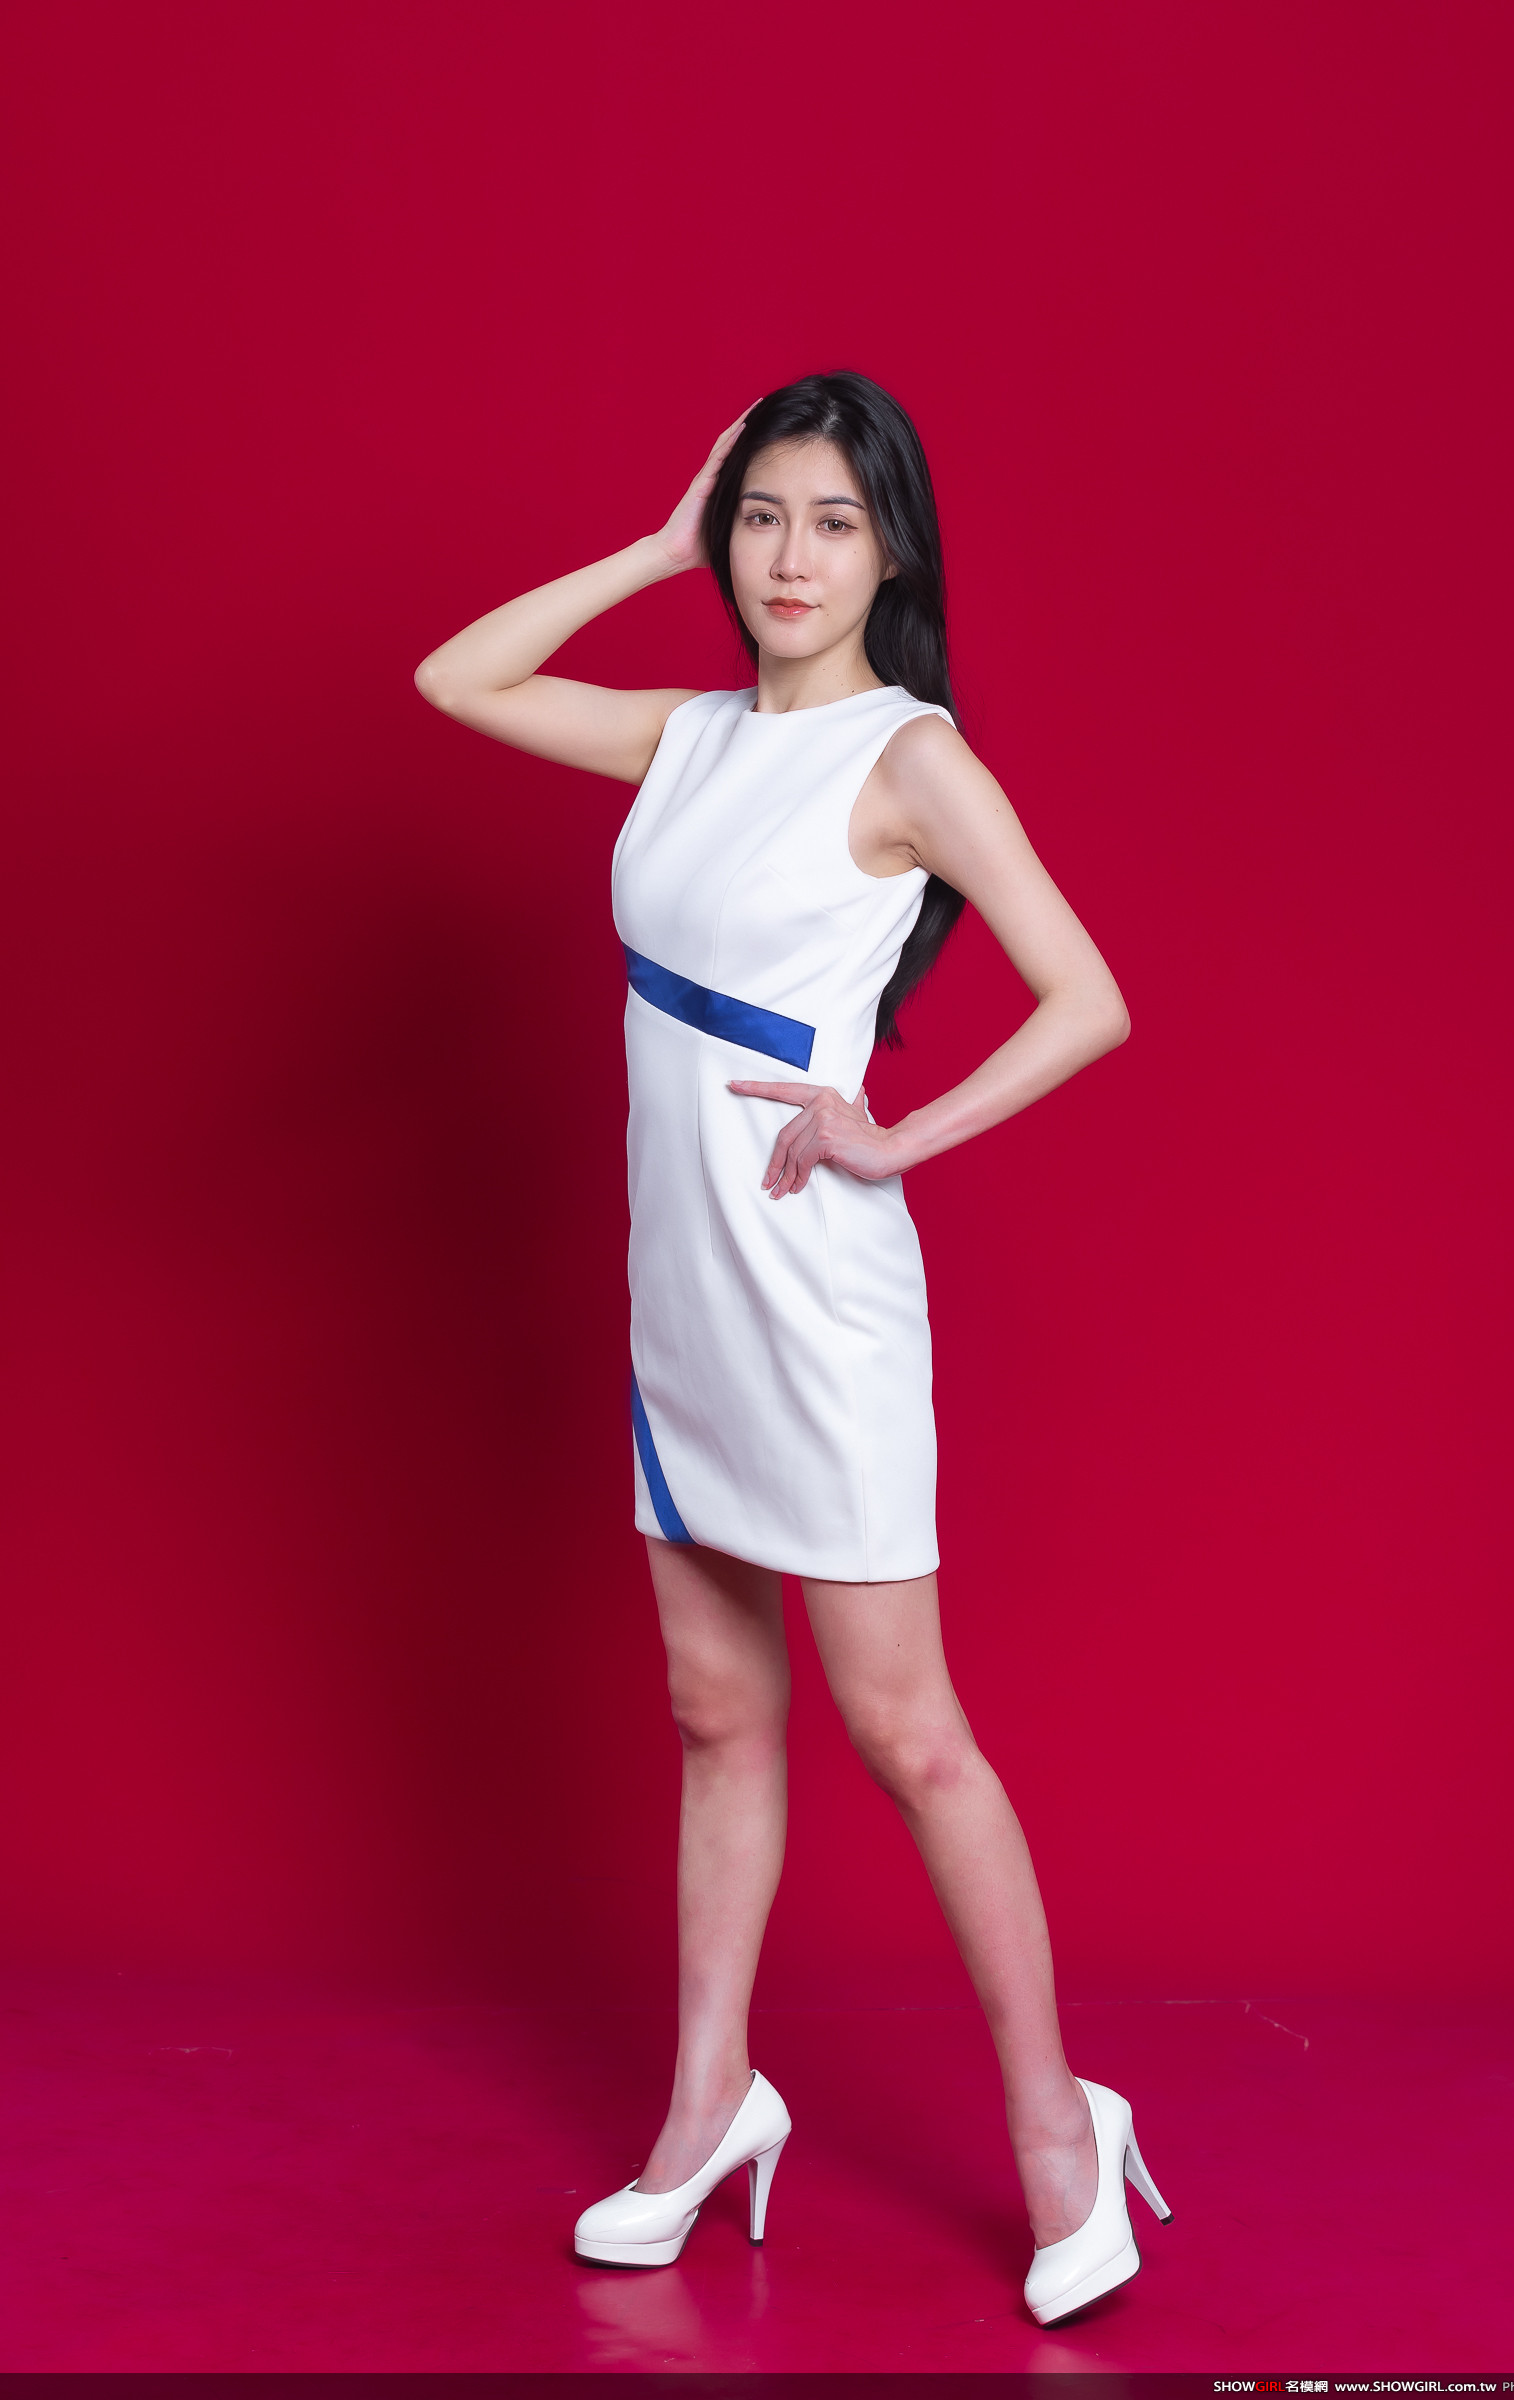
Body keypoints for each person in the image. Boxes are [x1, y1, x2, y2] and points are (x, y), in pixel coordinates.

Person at [414, 371, 1171, 2326]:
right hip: (681, 1294)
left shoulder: (909, 757)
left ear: (892, 548)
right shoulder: (684, 737)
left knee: (906, 1733)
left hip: (815, 1298)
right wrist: (646, 546)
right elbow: (456, 678)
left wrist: (895, 1136)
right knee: (712, 1713)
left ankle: (1057, 2132)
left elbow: (1085, 994)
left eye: (833, 520)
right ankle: (706, 2113)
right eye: (760, 515)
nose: (789, 556)